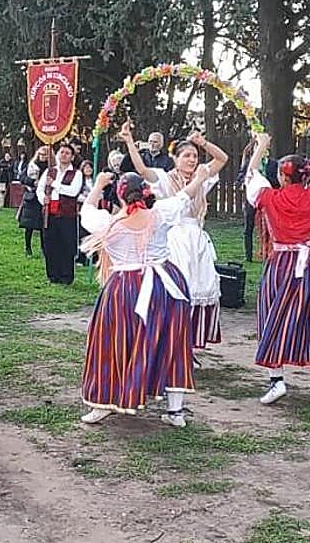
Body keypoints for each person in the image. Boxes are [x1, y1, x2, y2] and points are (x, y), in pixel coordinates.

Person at [78, 169, 210, 427]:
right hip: (164, 285)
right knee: (171, 343)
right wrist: (200, 178)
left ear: (120, 195)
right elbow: (185, 196)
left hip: (125, 289)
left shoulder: (108, 223)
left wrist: (98, 184)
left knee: (113, 342)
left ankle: (103, 402)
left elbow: (86, 211)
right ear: (146, 193)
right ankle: (175, 411)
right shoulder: (160, 214)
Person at [246, 129, 310, 405]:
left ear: (282, 176)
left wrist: (262, 145)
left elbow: (251, 174)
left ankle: (276, 380)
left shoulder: (271, 198)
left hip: (283, 262)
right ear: (306, 175)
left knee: (273, 315)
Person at [122, 122, 229, 350]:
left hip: (196, 240)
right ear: (176, 158)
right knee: (177, 288)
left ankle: (189, 344)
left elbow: (222, 159)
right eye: (187, 155)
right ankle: (170, 340)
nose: (192, 160)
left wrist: (203, 143)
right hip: (173, 238)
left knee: (201, 288)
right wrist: (130, 141)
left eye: (194, 156)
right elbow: (141, 169)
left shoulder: (202, 176)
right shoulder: (164, 178)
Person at [37, 142, 83, 284]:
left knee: (66, 244)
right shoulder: (49, 171)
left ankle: (66, 276)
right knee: (50, 243)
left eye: (67, 153)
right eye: (61, 152)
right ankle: (52, 275)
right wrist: (42, 198)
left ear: (72, 157)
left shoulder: (76, 173)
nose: (64, 155)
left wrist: (55, 184)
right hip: (50, 212)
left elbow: (73, 191)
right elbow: (40, 189)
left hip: (67, 214)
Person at [240, 137, 280, 262]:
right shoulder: (248, 162)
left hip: (268, 199)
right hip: (252, 199)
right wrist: (244, 183)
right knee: (249, 227)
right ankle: (248, 255)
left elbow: (278, 181)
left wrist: (264, 182)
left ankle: (267, 252)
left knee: (269, 227)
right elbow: (242, 175)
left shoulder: (273, 163)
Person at [16, 145, 48, 257]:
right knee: (28, 225)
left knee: (44, 226)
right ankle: (28, 248)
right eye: (41, 154)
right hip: (31, 198)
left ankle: (44, 249)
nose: (43, 157)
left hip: (44, 198)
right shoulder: (31, 166)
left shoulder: (51, 167)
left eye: (45, 155)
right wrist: (32, 182)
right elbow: (22, 178)